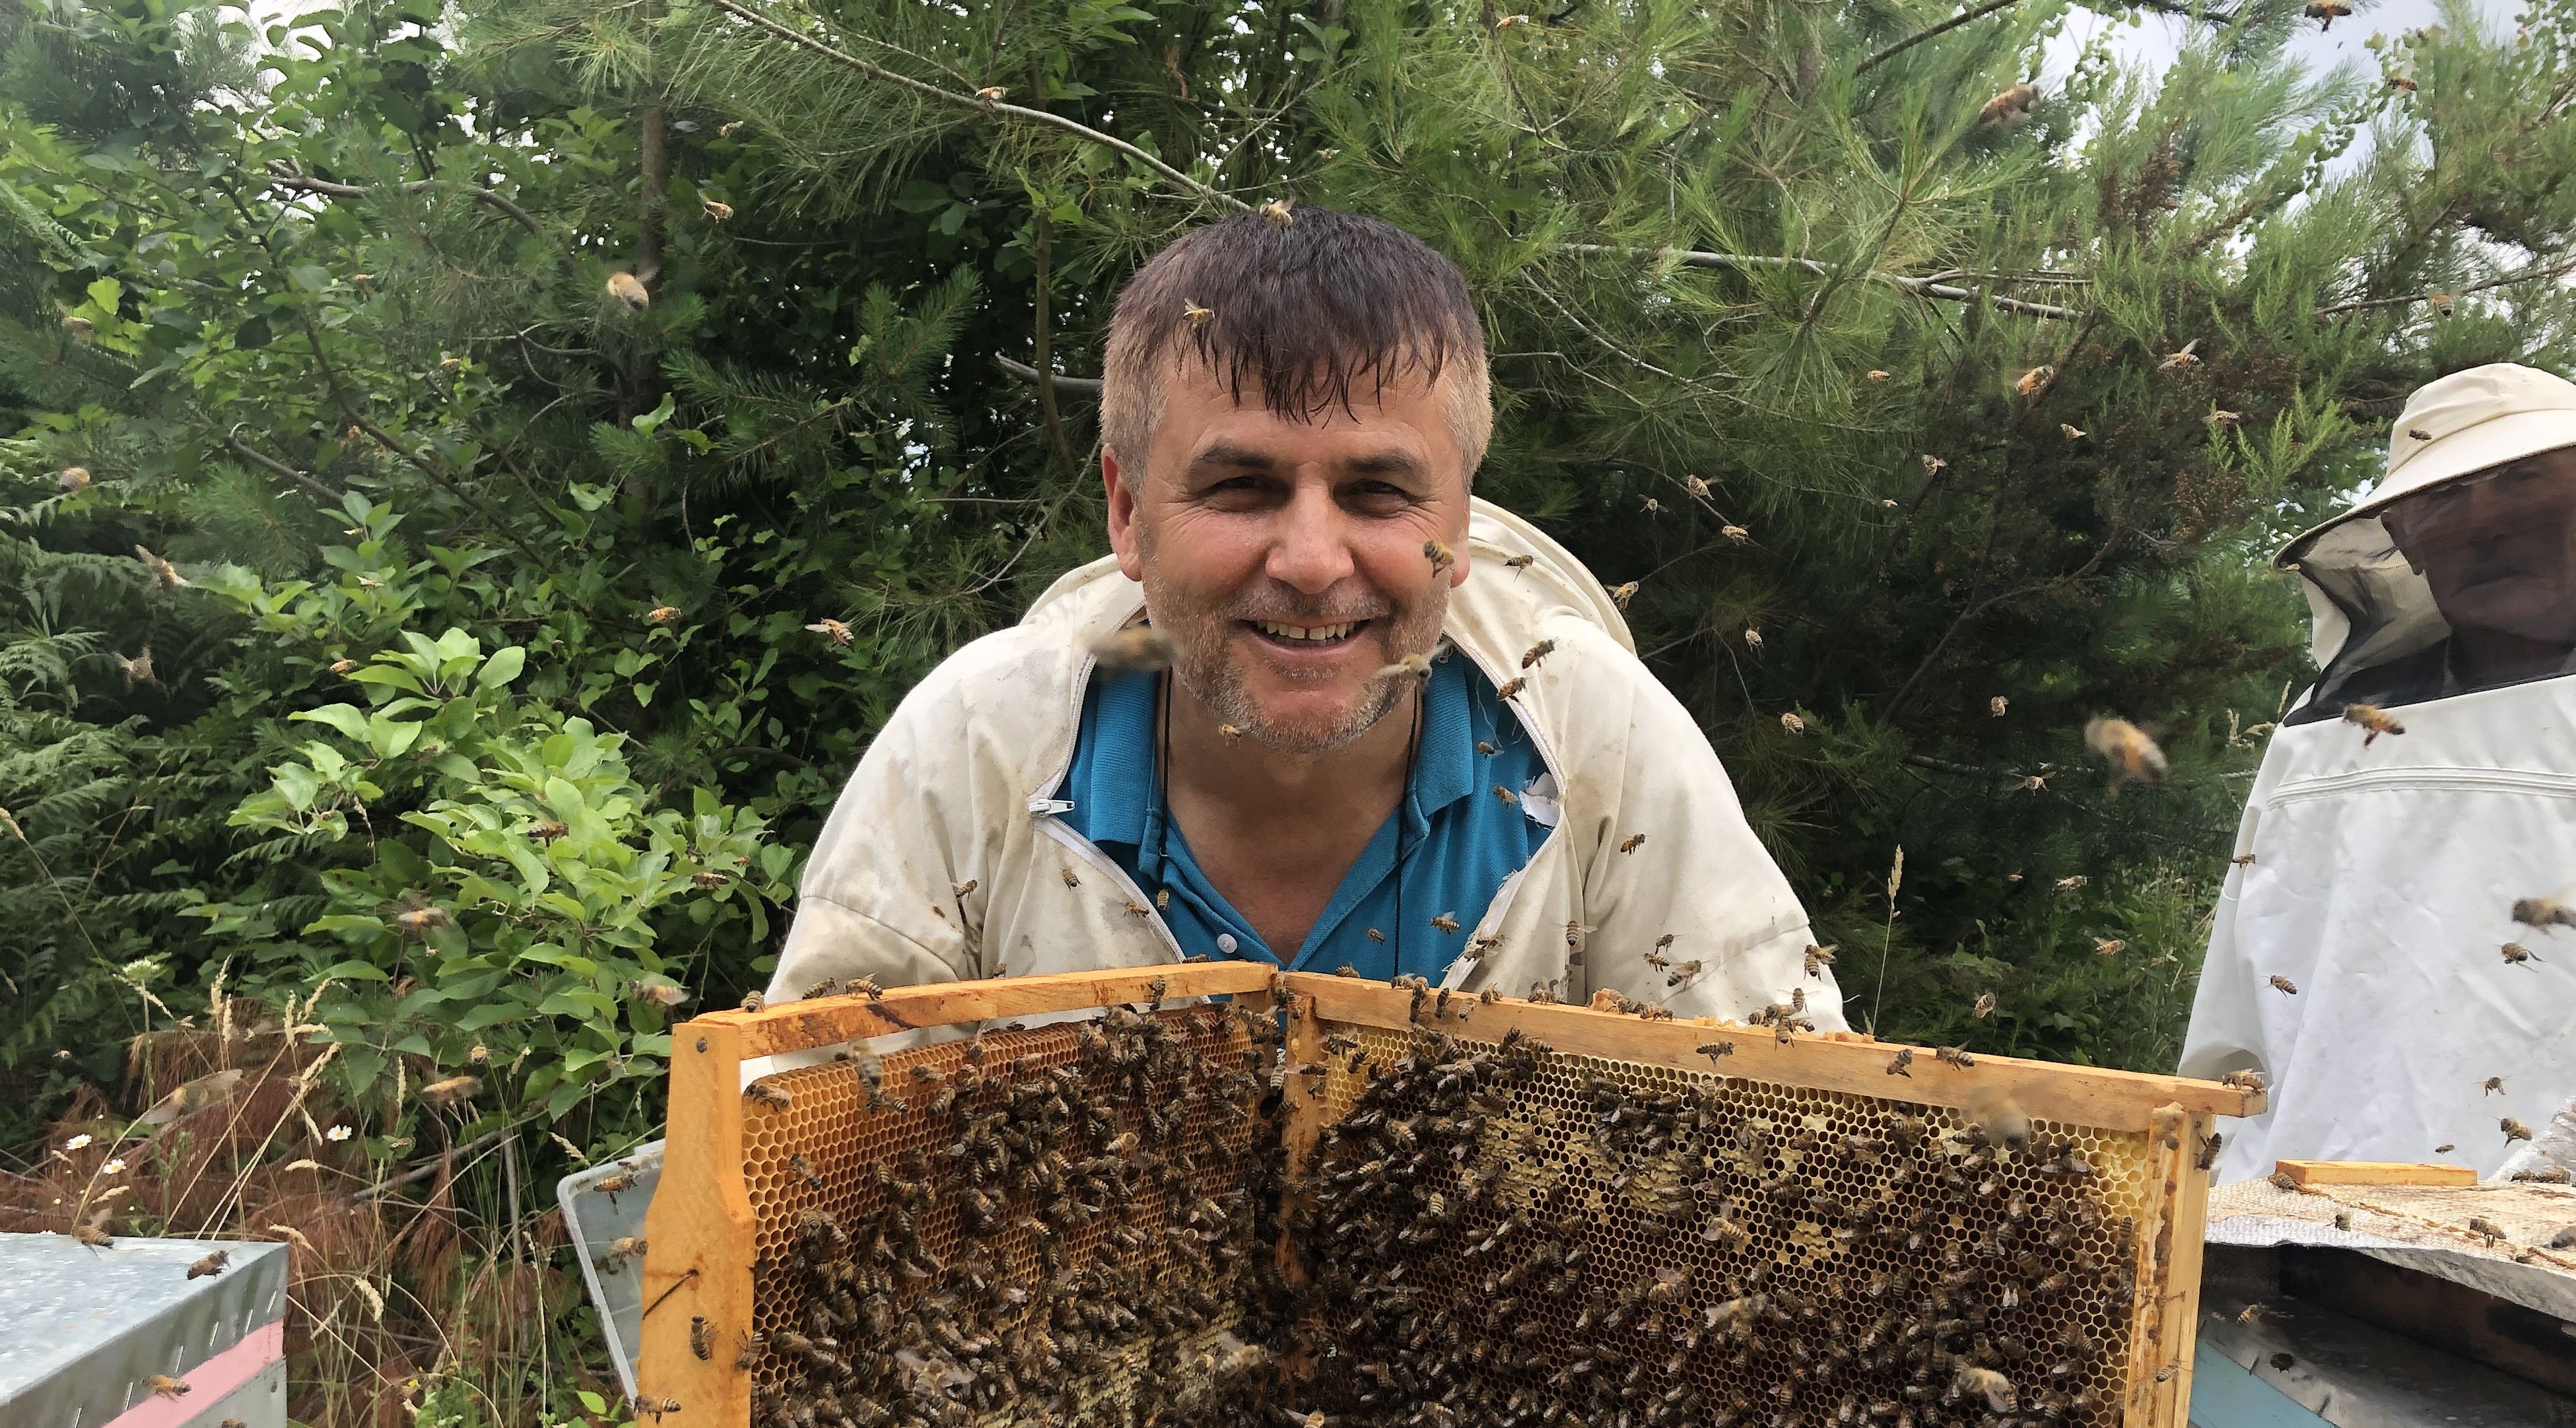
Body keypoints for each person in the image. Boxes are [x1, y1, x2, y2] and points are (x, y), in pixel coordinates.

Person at [765, 206, 1841, 1028]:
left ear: (1459, 524)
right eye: (1240, 488)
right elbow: (804, 1137)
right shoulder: (977, 743)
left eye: (1378, 493)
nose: (1315, 561)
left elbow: (1792, 1142)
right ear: (1129, 512)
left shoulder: (1598, 742)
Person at [2183, 362, 2576, 1180]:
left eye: (2523, 479)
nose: (2488, 525)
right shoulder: (2320, 738)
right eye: (2450, 499)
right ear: (2406, 537)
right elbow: (2237, 1020)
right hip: (2305, 1222)